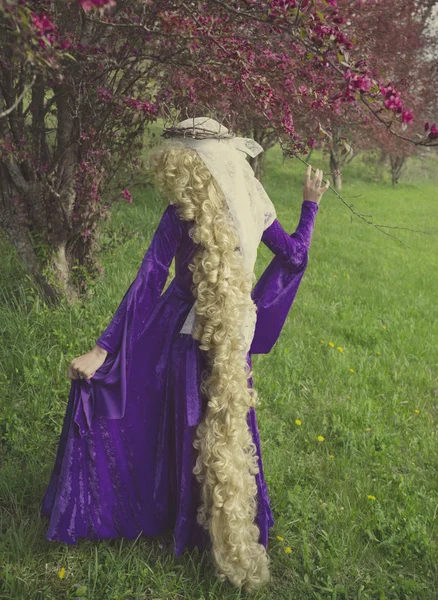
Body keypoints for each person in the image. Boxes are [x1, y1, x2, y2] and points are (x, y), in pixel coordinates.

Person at [40, 117, 329, 593]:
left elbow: (150, 278)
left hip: (182, 334)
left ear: (187, 165)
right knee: (224, 424)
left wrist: (103, 349)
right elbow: (294, 255)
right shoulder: (256, 202)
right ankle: (217, 527)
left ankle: (167, 512)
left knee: (149, 407)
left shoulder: (183, 210)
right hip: (230, 335)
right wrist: (310, 207)